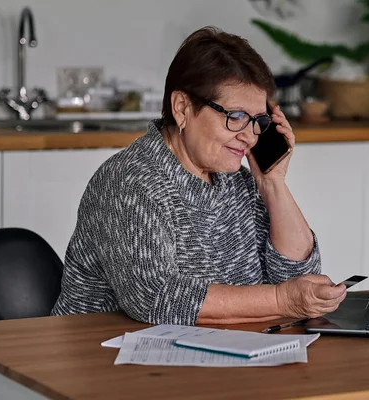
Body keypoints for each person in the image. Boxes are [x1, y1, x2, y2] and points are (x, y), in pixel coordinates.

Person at [51, 26, 347, 325]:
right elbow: (156, 298)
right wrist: (281, 299)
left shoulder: (237, 181)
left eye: (257, 120)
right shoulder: (129, 182)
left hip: (219, 353)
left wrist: (273, 185)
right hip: (104, 358)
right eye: (236, 117)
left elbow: (297, 279)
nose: (249, 136)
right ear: (182, 108)